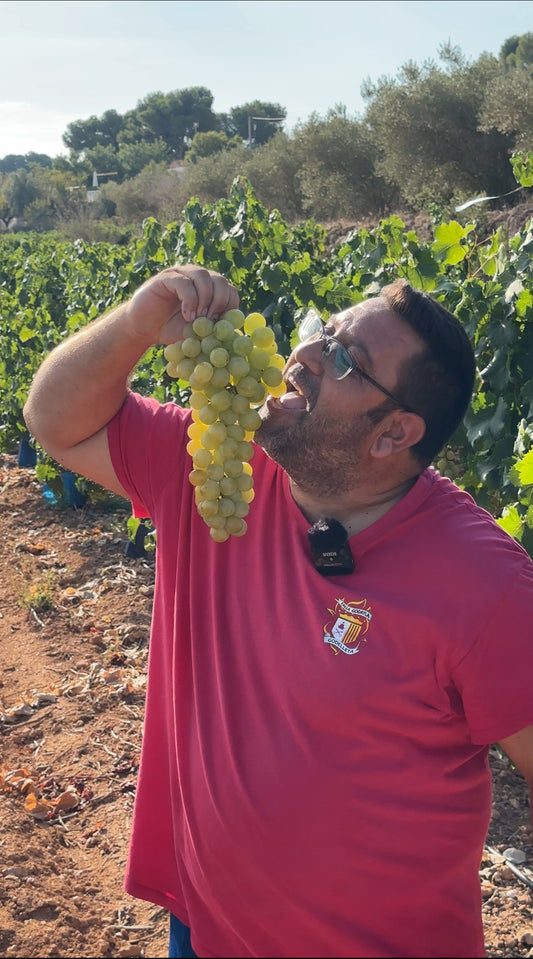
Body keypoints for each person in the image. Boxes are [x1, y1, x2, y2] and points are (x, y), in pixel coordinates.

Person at [23, 263, 533, 959]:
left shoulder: (485, 583)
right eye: (325, 332)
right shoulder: (211, 467)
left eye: (344, 359)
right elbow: (51, 420)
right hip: (204, 931)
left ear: (392, 434)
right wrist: (138, 322)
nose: (305, 356)